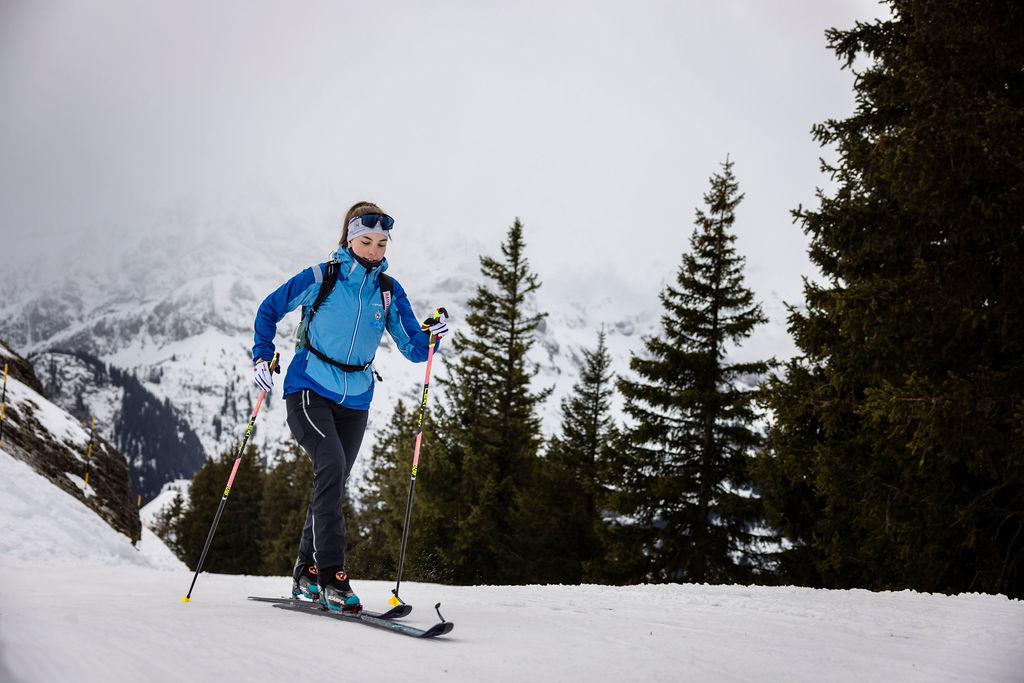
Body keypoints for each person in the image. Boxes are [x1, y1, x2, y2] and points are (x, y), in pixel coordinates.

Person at [251, 201, 448, 613]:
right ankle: (332, 579)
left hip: (356, 397)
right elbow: (269, 310)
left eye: (381, 242)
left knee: (332, 481)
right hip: (308, 388)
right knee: (331, 467)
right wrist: (262, 354)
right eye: (366, 241)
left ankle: (305, 572)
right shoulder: (321, 277)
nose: (374, 250)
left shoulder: (389, 290)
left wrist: (431, 336)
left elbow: (413, 347)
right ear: (349, 238)